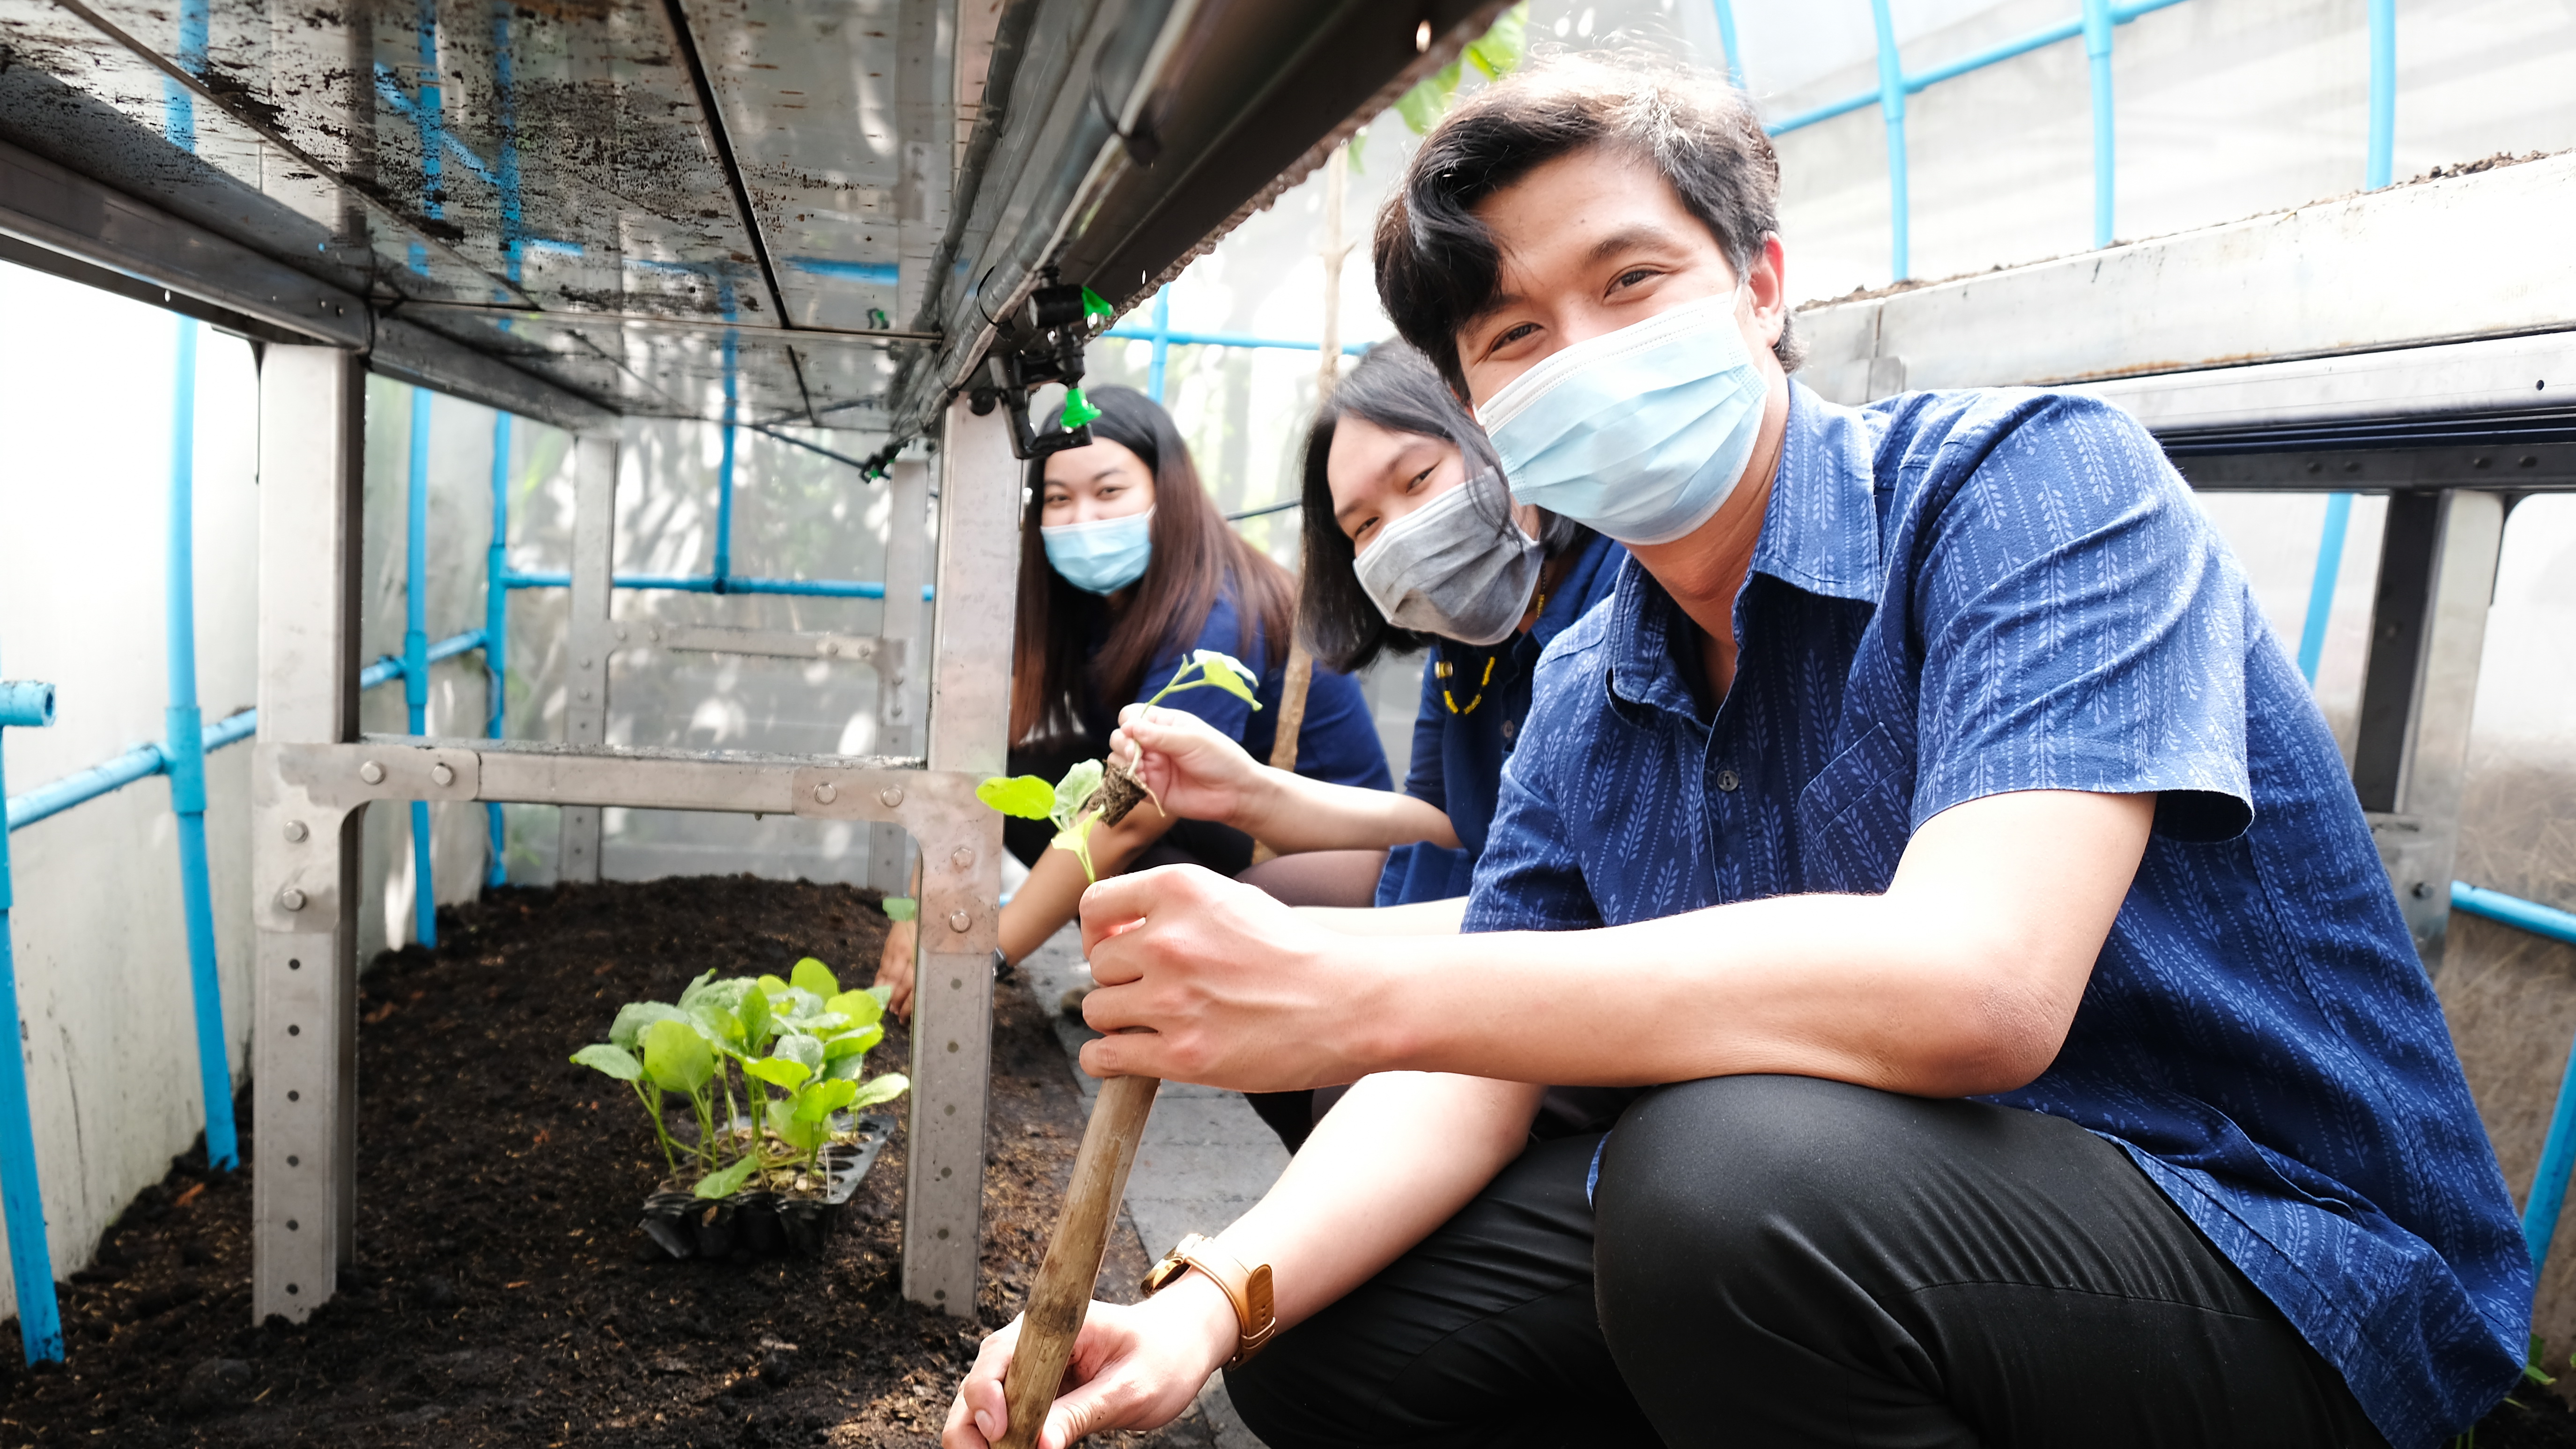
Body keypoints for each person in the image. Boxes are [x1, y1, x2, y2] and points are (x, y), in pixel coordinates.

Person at [944, 53, 2532, 1449]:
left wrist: (1346, 984)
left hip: (2268, 1251)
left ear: (1763, 286)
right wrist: (1209, 1302)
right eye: (1513, 335)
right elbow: (1485, 1053)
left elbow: (1978, 984)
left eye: (1631, 283)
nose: (1578, 355)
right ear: (1486, 404)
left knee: (1717, 1179)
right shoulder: (1590, 675)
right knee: (1333, 1345)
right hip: (1883, 1228)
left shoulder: (2030, 490)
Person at [1112, 340, 1626, 1149]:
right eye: (1364, 526)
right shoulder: (1475, 629)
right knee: (1273, 900)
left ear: (1491, 428)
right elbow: (1439, 817)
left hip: (1580, 945)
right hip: (1489, 896)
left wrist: (1302, 956)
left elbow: (1581, 910)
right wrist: (1252, 793)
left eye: (1418, 480)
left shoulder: (1618, 600)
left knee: (1329, 1056)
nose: (1401, 534)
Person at [874, 386, 1390, 1017]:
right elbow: (986, 746)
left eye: (1110, 490)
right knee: (1019, 780)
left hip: (1316, 871)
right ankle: (1146, 977)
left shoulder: (1219, 611)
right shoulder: (1087, 604)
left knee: (1121, 815)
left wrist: (976, 955)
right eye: (1059, 498)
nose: (1083, 518)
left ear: (1165, 493)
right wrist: (925, 905)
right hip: (1209, 827)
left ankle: (1169, 989)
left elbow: (1133, 813)